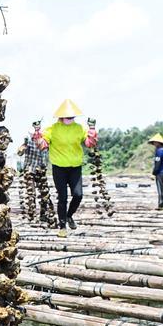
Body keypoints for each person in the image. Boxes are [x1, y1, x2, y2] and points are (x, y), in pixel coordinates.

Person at [33, 99, 97, 237]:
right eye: (67, 117)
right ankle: (62, 227)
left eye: (72, 117)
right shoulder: (52, 129)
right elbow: (42, 145)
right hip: (59, 168)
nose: (70, 119)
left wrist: (92, 129)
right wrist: (37, 132)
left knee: (78, 195)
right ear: (61, 116)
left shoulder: (79, 128)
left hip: (75, 167)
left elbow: (90, 143)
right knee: (62, 198)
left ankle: (69, 216)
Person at [17, 127, 49, 221]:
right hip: (30, 170)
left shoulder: (44, 142)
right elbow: (19, 152)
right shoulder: (28, 143)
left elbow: (46, 155)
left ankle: (42, 215)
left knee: (44, 194)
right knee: (31, 194)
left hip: (40, 170)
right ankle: (32, 215)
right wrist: (23, 146)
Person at [148, 133, 163, 210]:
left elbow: (157, 163)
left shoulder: (159, 151)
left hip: (160, 173)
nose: (154, 144)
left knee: (160, 189)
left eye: (154, 142)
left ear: (158, 142)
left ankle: (161, 205)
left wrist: (154, 173)